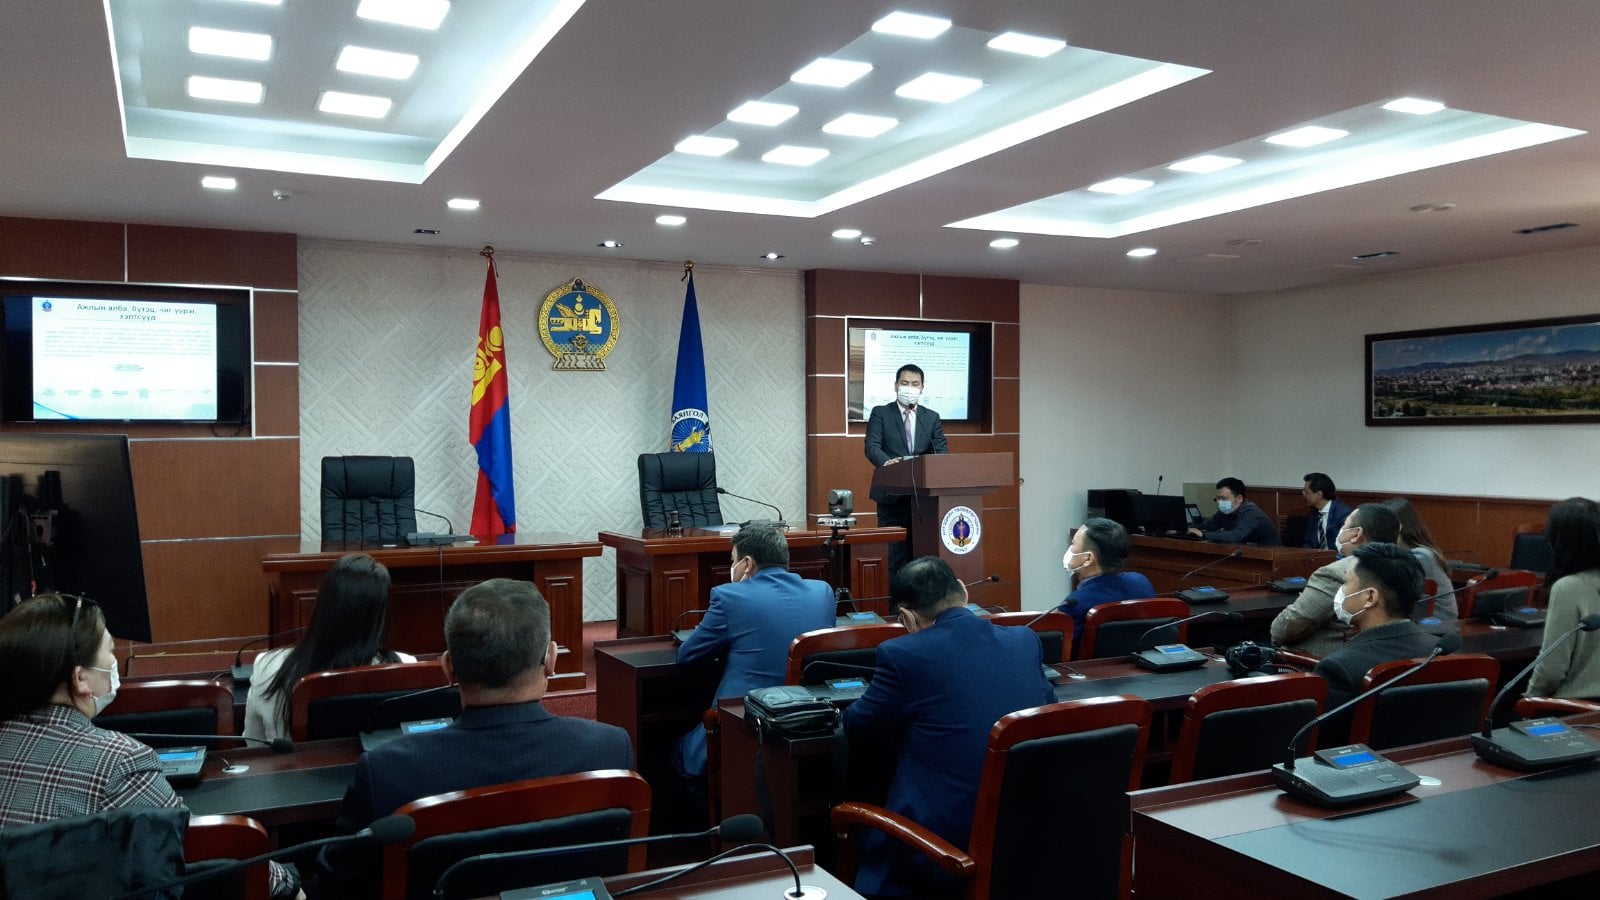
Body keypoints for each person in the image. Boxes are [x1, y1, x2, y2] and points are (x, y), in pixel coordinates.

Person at [312, 579, 631, 898]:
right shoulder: (610, 749)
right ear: (551, 659)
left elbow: (335, 887)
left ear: (448, 667)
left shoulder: (386, 770)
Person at [0, 594, 299, 898]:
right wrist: (289, 881)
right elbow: (197, 847)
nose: (114, 663)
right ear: (80, 679)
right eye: (110, 651)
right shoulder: (119, 760)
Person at [842, 557, 1055, 898]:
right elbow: (1047, 708)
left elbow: (859, 725)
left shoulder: (903, 654)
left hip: (945, 847)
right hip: (1032, 831)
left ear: (907, 617)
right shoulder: (1023, 640)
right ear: (963, 592)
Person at [672, 524, 834, 786]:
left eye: (733, 560)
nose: (732, 566)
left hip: (744, 721)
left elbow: (688, 657)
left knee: (681, 754)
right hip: (810, 719)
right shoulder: (822, 592)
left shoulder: (729, 596)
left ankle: (715, 810)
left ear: (747, 563)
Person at [244, 553, 415, 743]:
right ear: (380, 617)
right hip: (377, 763)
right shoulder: (406, 667)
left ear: (322, 604)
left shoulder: (267, 666)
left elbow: (254, 746)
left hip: (292, 764)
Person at [1312, 542, 1440, 743]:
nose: (1340, 591)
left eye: (1345, 583)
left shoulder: (1339, 668)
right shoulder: (1444, 652)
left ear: (1370, 597)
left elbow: (1319, 743)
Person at [1270, 503, 1402, 658]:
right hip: (1389, 655)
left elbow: (1286, 629)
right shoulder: (1406, 565)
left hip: (1322, 662)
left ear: (1356, 534)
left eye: (1344, 526)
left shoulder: (1336, 572)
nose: (1340, 531)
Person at [864, 364, 949, 572]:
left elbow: (941, 452)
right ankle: (895, 594)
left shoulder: (931, 417)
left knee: (923, 558)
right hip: (892, 499)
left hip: (924, 501)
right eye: (904, 383)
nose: (909, 388)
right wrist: (888, 464)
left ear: (922, 388)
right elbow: (872, 447)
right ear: (896, 386)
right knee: (894, 557)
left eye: (914, 384)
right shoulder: (881, 413)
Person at [1527, 498, 1600, 699]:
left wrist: (1529, 700)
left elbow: (1551, 670)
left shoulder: (1568, 587)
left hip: (1577, 706)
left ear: (1560, 542)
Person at [1055, 518, 1155, 656]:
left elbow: (1061, 654)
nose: (1070, 549)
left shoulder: (1074, 604)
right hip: (1140, 665)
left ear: (1088, 558)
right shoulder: (1141, 582)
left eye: (1073, 544)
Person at [1381, 497, 1458, 622]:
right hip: (1417, 621)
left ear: (1398, 527)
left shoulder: (1421, 556)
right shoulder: (1409, 552)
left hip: (1437, 624)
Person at [1188, 477, 1280, 545]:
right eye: (1217, 499)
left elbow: (1235, 536)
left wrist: (1204, 534)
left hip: (1270, 553)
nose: (1219, 502)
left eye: (1223, 498)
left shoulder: (1252, 513)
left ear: (1239, 498)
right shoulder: (1224, 512)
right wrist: (1185, 528)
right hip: (1245, 550)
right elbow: (1209, 526)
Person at [1301, 473, 1353, 550]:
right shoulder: (1314, 514)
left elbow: (1347, 546)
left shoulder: (1343, 514)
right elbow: (1309, 543)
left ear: (1319, 494)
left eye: (1307, 492)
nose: (1303, 495)